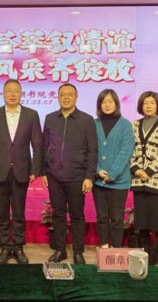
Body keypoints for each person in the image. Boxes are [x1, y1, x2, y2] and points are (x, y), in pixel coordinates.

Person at [0, 79, 43, 264]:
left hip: (21, 170)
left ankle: (18, 246)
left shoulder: (31, 115)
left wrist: (35, 169)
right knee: (1, 212)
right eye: (9, 91)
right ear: (3, 94)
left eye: (16, 91)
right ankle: (5, 247)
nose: (12, 94)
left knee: (18, 212)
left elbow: (38, 145)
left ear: (21, 93)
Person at [42, 83, 98, 264]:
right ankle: (60, 250)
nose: (66, 97)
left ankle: (77, 252)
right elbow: (44, 147)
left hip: (77, 177)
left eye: (69, 94)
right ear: (58, 97)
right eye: (62, 94)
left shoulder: (86, 120)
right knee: (58, 215)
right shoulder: (50, 118)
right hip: (54, 176)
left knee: (77, 215)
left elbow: (92, 151)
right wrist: (44, 172)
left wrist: (89, 177)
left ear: (76, 96)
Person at [130, 91, 158, 265]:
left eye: (152, 103)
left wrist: (149, 170)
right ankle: (146, 251)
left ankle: (156, 251)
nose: (148, 106)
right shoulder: (134, 124)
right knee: (141, 220)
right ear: (141, 106)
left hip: (156, 178)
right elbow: (129, 149)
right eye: (145, 103)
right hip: (138, 178)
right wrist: (136, 169)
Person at [92, 89, 134, 249]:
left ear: (116, 103)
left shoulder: (125, 125)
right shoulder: (94, 124)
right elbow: (89, 149)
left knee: (117, 218)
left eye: (110, 101)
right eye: (103, 102)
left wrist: (113, 173)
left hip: (119, 182)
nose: (107, 105)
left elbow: (126, 151)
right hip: (98, 181)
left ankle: (116, 250)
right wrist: (97, 170)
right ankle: (104, 247)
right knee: (101, 217)